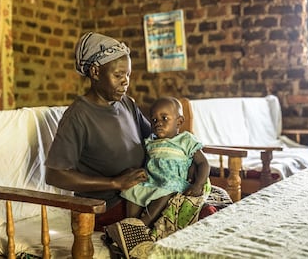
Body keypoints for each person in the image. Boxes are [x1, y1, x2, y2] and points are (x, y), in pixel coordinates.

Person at [45, 32, 151, 229]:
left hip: (139, 195)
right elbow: (55, 174)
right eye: (118, 75)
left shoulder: (128, 104)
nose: (126, 81)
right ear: (95, 72)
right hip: (105, 207)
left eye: (128, 74)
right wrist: (114, 183)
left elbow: (154, 138)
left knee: (205, 202)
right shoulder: (78, 116)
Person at [120, 97, 211, 228]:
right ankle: (129, 223)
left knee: (167, 189)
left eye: (164, 118)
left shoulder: (185, 140)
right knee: (133, 188)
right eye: (154, 120)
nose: (158, 123)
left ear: (179, 122)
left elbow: (203, 163)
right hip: (151, 180)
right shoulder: (151, 141)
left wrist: (198, 184)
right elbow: (147, 162)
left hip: (174, 182)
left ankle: (144, 223)